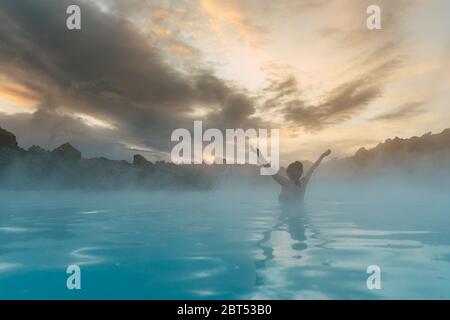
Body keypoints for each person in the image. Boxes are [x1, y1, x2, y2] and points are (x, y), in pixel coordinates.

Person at [257, 148, 331, 203]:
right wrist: (322, 156)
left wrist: (260, 156)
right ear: (301, 172)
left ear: (288, 173)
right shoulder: (303, 182)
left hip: (286, 215)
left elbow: (271, 171)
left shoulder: (285, 183)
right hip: (300, 214)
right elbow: (313, 168)